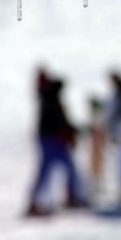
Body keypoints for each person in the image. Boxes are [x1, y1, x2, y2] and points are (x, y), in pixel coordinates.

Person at [26, 69, 86, 217]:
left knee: (58, 170)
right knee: (52, 171)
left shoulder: (47, 97)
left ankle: (65, 197)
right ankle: (37, 202)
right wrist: (71, 131)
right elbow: (59, 121)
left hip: (50, 139)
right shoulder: (50, 97)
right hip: (52, 139)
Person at [87, 96, 106, 199]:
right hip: (94, 144)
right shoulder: (96, 118)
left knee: (97, 165)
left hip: (96, 144)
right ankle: (94, 187)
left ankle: (97, 187)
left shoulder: (98, 118)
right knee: (95, 166)